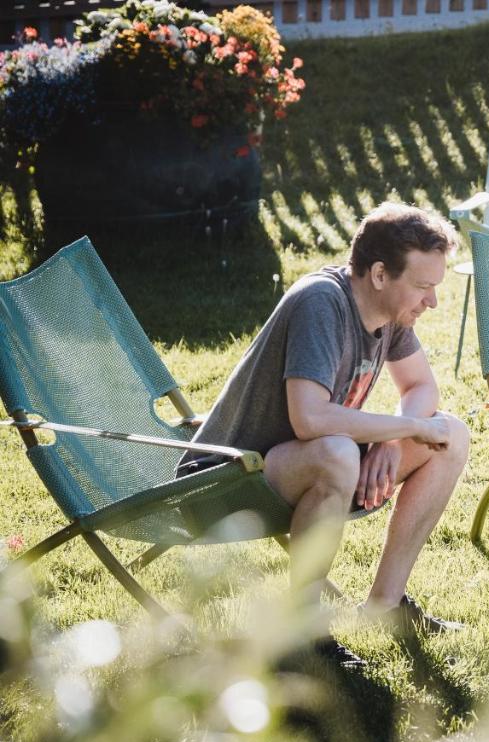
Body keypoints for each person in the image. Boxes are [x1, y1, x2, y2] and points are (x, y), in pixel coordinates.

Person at [179, 202, 470, 669]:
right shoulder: (322, 302)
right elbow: (309, 420)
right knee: (338, 451)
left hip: (293, 467)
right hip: (224, 482)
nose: (431, 302)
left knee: (450, 435)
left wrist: (391, 443)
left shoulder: (391, 314)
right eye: (422, 287)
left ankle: (385, 606)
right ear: (379, 274)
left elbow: (421, 387)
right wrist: (408, 426)